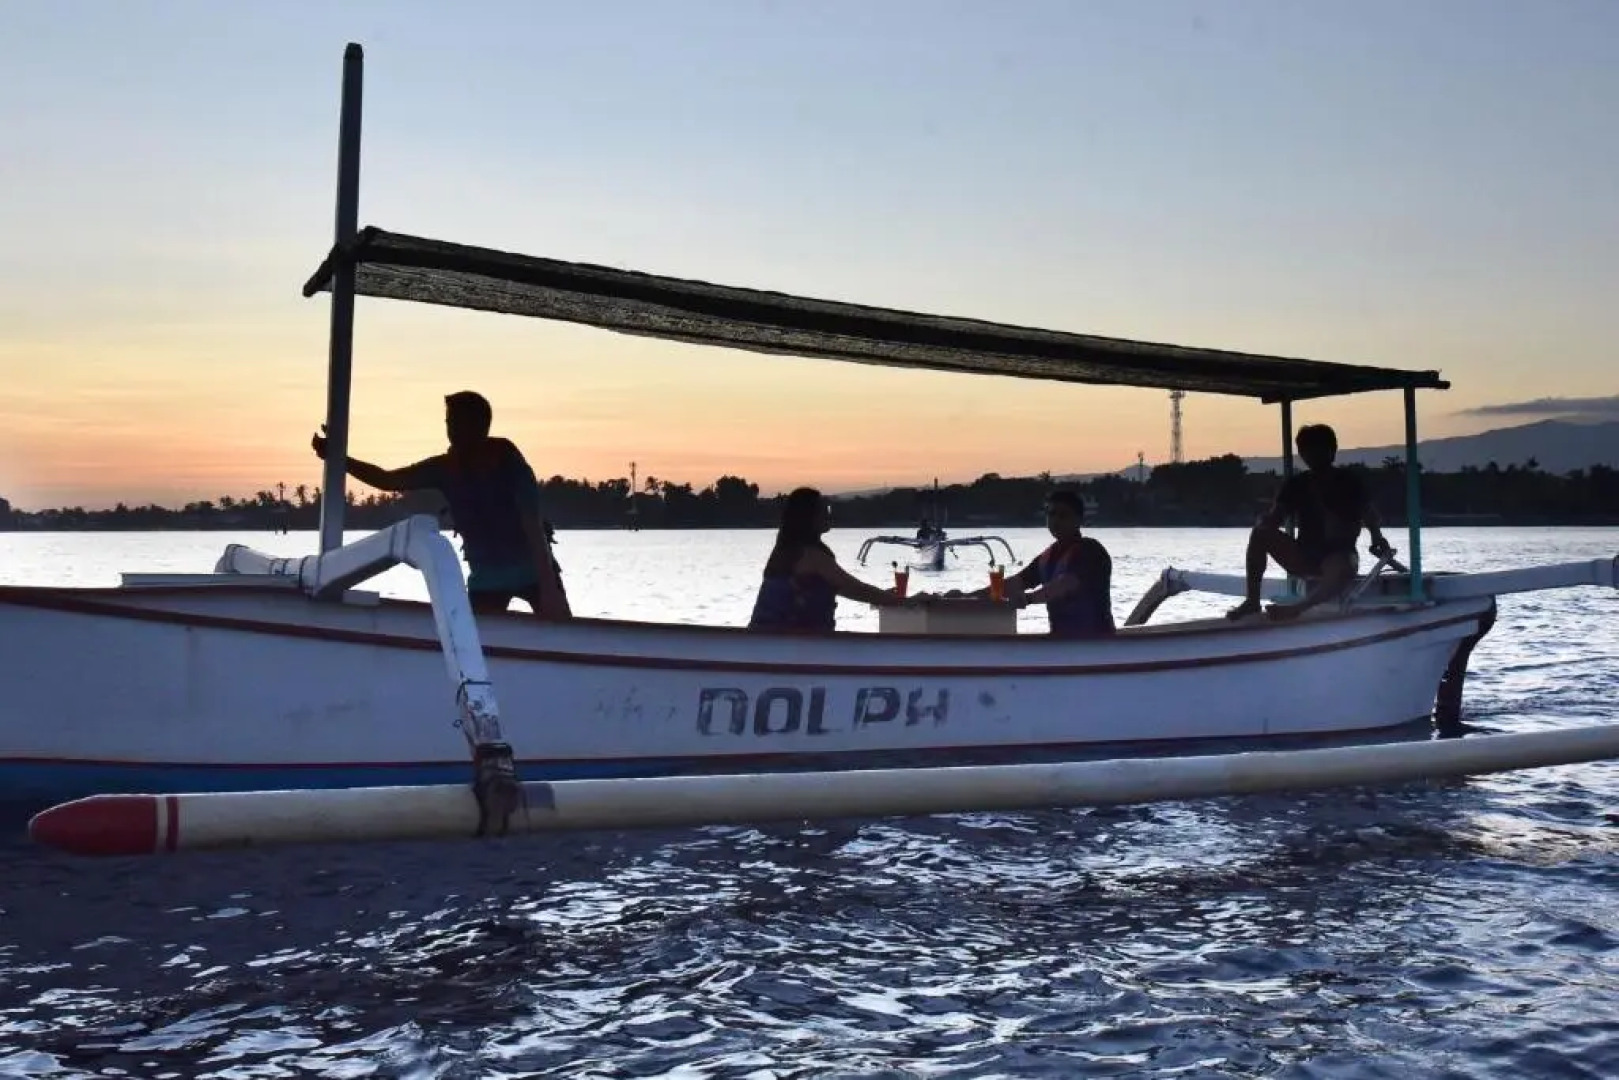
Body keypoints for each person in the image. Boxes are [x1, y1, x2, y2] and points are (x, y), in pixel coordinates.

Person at [310, 390, 571, 618]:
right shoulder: (445, 468)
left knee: (564, 634)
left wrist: (548, 586)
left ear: (481, 425)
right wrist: (338, 458)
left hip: (534, 571)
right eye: (449, 423)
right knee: (478, 642)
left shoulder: (509, 462)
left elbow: (532, 524)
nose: (451, 430)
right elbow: (387, 479)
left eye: (458, 423)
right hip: (488, 578)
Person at [1227, 422, 1394, 622]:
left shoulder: (1348, 481)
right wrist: (1265, 522)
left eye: (1319, 450)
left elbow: (1369, 513)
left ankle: (1298, 608)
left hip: (1339, 554)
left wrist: (1377, 536)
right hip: (1304, 554)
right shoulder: (1296, 484)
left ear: (1332, 452)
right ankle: (1252, 601)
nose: (1313, 456)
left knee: (1341, 567)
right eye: (1308, 451)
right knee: (1259, 533)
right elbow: (1276, 517)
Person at [958, 490, 1115, 638]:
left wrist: (1028, 599)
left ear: (1079, 520)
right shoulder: (1048, 556)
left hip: (1095, 640)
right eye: (1051, 515)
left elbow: (1066, 584)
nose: (1056, 521)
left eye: (1063, 515)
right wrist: (968, 597)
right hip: (1062, 641)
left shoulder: (1091, 550)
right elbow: (1016, 582)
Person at [748, 487, 905, 632]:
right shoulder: (811, 556)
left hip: (772, 639)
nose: (829, 514)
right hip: (786, 641)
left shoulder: (785, 552)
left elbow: (844, 588)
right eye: (824, 510)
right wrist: (904, 602)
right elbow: (855, 588)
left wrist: (884, 597)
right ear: (808, 517)